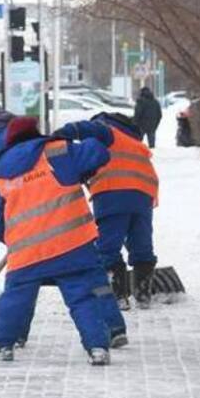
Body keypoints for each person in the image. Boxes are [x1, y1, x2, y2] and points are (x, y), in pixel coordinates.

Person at [0, 112, 128, 352]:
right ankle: (101, 343)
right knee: (84, 294)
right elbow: (98, 151)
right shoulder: (56, 150)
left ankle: (3, 344)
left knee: (16, 296)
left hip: (28, 250)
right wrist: (82, 132)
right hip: (73, 243)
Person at [53, 112, 158, 309]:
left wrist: (61, 134)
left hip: (114, 193)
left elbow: (86, 129)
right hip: (144, 195)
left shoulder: (107, 130)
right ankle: (143, 293)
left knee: (108, 245)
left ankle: (117, 295)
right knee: (141, 243)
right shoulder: (134, 141)